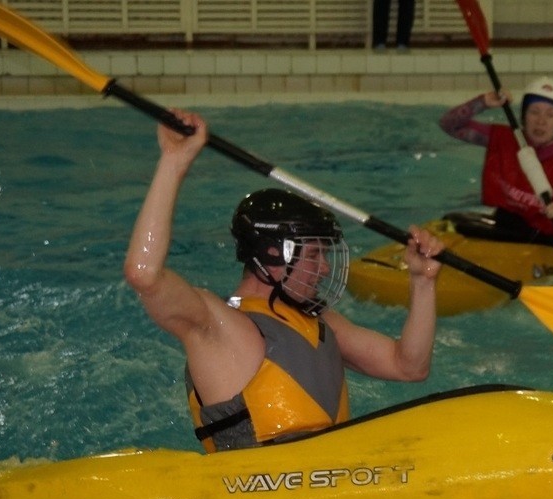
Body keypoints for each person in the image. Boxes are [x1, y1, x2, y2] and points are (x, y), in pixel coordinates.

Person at [124, 109, 444, 453]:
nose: (323, 269)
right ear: (275, 255)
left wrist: (422, 282)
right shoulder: (218, 326)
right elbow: (144, 274)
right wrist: (175, 162)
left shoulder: (318, 323)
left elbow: (409, 366)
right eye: (313, 256)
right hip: (259, 493)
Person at [439, 76, 553, 243]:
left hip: (541, 238)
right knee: (451, 220)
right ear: (524, 115)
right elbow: (448, 124)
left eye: (551, 115)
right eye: (534, 112)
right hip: (505, 224)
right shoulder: (504, 139)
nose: (541, 121)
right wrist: (483, 102)